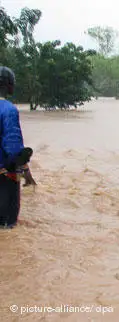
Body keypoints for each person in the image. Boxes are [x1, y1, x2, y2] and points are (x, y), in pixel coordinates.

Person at [0, 66, 35, 229]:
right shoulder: (8, 110)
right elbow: (13, 150)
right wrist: (26, 174)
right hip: (5, 177)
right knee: (7, 227)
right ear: (9, 85)